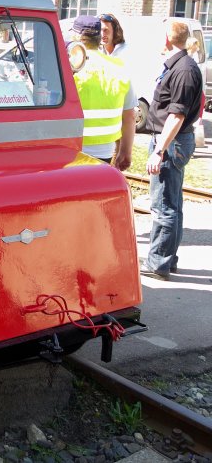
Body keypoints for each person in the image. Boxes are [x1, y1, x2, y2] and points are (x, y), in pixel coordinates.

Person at [140, 19, 203, 280]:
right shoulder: (180, 66)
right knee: (172, 204)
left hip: (171, 142)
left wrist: (159, 150)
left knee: (164, 206)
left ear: (167, 39)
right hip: (173, 141)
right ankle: (167, 258)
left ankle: (158, 263)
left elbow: (176, 116)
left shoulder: (184, 70)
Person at [69, 16, 136, 170]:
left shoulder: (69, 66)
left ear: (76, 38)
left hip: (72, 147)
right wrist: (125, 151)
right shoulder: (119, 68)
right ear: (99, 38)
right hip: (104, 150)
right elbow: (130, 116)